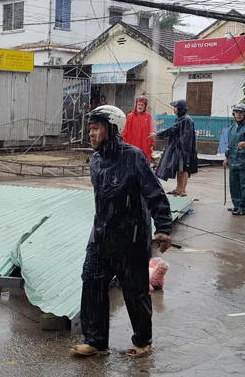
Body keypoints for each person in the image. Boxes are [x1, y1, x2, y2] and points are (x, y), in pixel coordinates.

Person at [70, 105, 173, 358]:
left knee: (135, 290)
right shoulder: (95, 159)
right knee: (92, 282)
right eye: (90, 129)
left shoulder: (133, 157)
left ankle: (142, 342)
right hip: (101, 234)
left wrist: (163, 227)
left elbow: (154, 192)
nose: (91, 134)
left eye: (96, 129)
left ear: (112, 129)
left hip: (131, 236)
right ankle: (95, 341)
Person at [152, 100, 198, 196]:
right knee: (179, 169)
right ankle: (178, 188)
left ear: (180, 108)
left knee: (184, 169)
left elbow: (172, 130)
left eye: (175, 107)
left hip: (184, 149)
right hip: (180, 149)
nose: (174, 109)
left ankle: (183, 190)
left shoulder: (185, 119)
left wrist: (157, 134)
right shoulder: (182, 119)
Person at [122, 96, 155, 163]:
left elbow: (152, 131)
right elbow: (126, 130)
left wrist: (152, 144)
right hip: (132, 144)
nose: (140, 107)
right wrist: (124, 143)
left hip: (144, 145)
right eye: (138, 105)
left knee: (143, 163)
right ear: (136, 105)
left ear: (145, 106)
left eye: (142, 105)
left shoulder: (148, 117)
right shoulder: (130, 116)